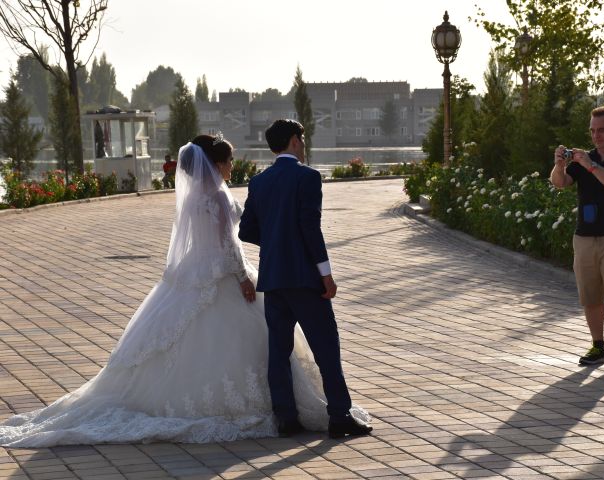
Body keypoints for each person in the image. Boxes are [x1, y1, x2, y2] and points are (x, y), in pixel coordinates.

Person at [0, 134, 368, 447]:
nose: (230, 168)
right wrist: (242, 277)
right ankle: (277, 409)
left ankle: (282, 412)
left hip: (193, 273)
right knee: (267, 341)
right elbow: (229, 244)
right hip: (225, 274)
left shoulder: (193, 197)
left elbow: (209, 240)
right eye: (228, 162)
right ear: (218, 163)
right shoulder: (221, 196)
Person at [239, 119, 372, 438]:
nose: (303, 143)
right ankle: (339, 415)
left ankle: (286, 418)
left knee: (278, 351)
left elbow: (245, 230)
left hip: (273, 279)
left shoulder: (259, 182)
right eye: (302, 138)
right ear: (295, 141)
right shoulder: (308, 177)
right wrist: (326, 275)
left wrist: (275, 242)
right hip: (304, 279)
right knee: (326, 347)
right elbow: (311, 229)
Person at [550, 106, 604, 368]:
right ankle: (597, 346)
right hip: (585, 237)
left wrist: (591, 166)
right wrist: (559, 165)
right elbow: (560, 183)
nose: (596, 135)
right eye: (592, 130)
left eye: (601, 130)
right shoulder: (584, 158)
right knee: (590, 295)